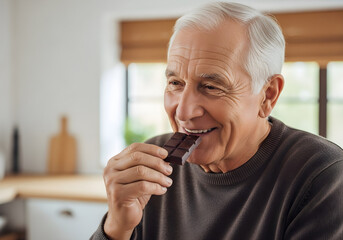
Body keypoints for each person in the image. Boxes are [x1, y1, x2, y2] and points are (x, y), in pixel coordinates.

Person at [91, 2, 343, 239]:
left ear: (267, 95)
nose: (183, 112)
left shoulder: (322, 175)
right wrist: (116, 227)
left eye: (211, 86)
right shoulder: (153, 167)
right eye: (175, 83)